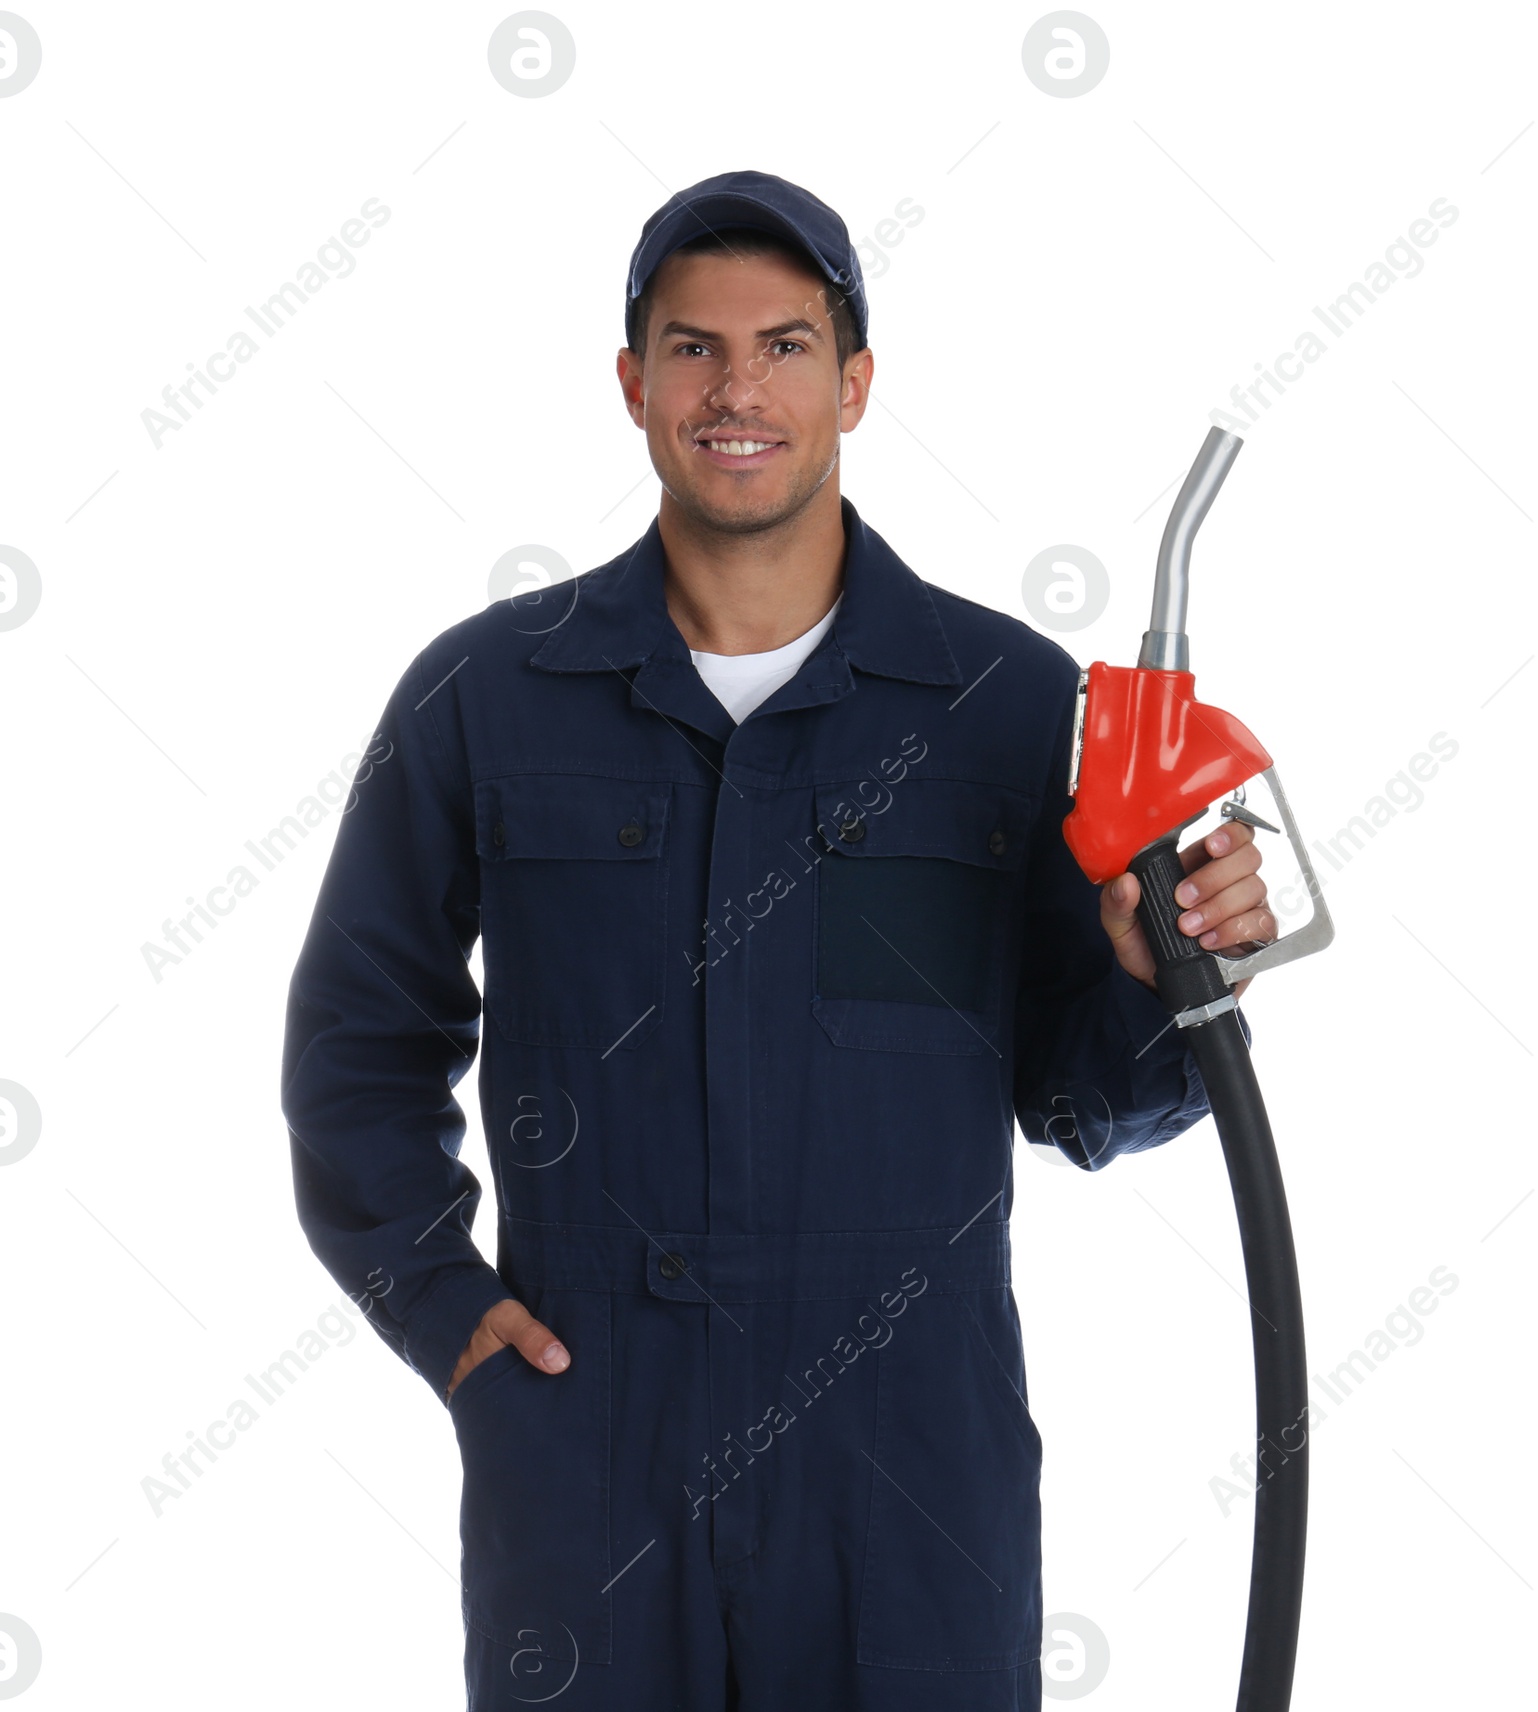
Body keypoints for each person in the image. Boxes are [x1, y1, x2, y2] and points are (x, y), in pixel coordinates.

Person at [280, 168, 1274, 1712]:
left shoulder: (1000, 704)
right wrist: (447, 1319)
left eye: (788, 346)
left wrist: (1169, 978)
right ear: (633, 384)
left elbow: (1083, 1101)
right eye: (694, 347)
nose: (738, 388)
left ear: (857, 385)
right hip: (591, 1439)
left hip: (912, 1457)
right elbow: (358, 1046)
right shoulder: (486, 697)